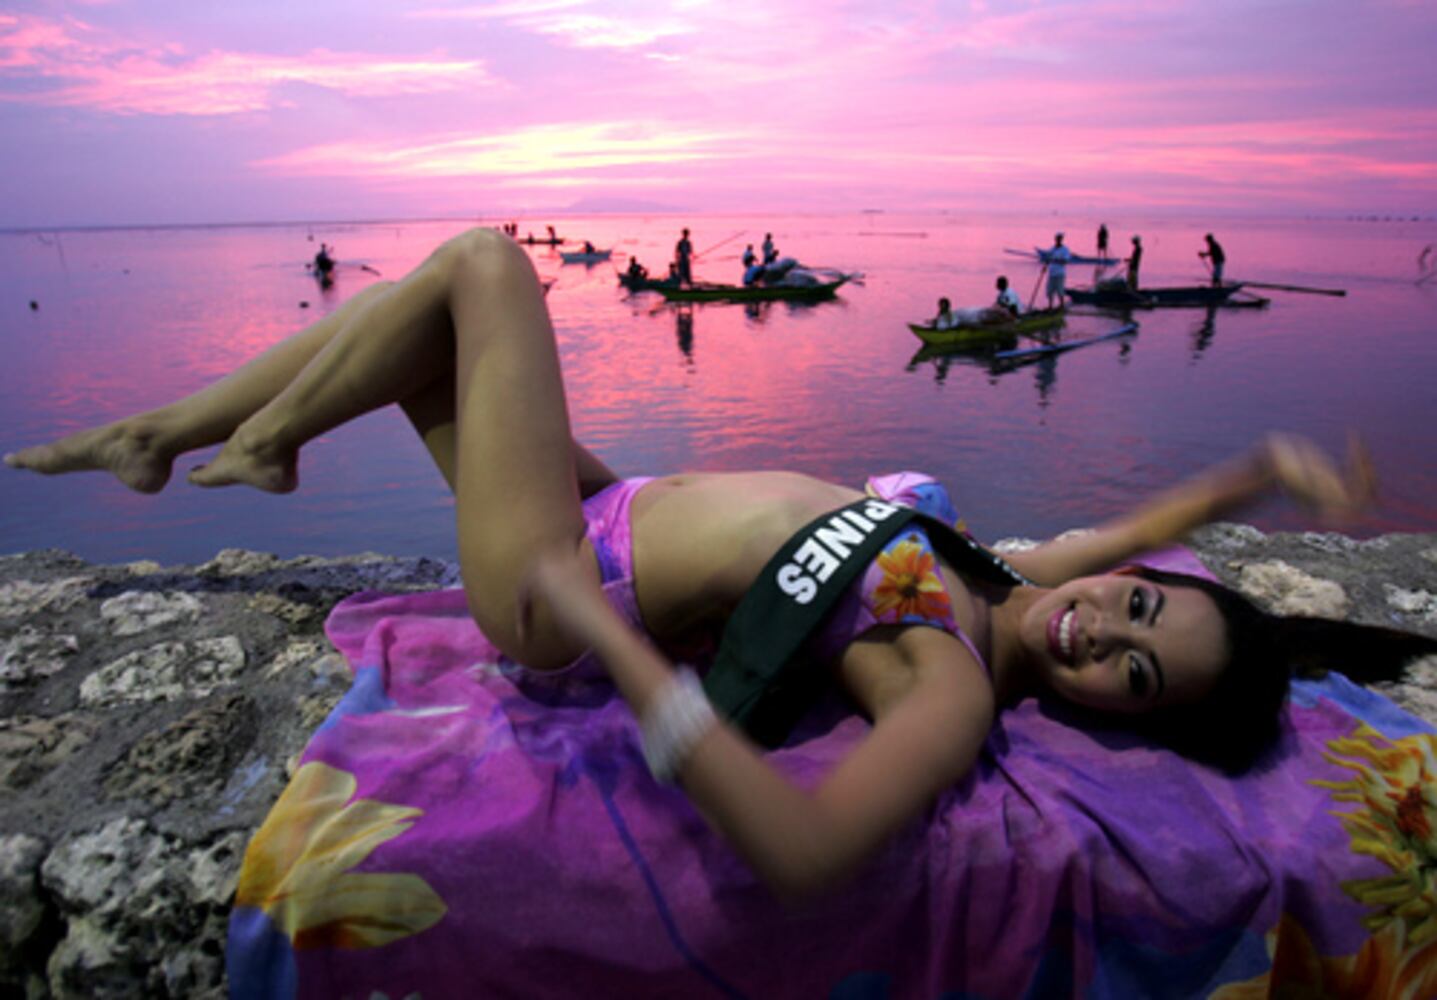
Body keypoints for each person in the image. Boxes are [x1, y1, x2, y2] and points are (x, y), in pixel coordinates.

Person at [9, 228, 1430, 899]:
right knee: (419, 311)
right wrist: (1265, 468)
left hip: (561, 584)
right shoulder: (1013, 573)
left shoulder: (945, 685)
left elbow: (803, 849)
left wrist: (613, 649)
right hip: (611, 498)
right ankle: (165, 435)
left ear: (1117, 721)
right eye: (1141, 606)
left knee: (486, 269)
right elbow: (1141, 529)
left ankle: (246, 441)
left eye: (1131, 673)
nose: (1100, 626)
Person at [1043, 232, 1072, 309]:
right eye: (1057, 238)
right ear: (1055, 239)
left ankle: (1061, 305)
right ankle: (1050, 306)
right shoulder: (1052, 249)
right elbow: (1047, 259)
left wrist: (1056, 260)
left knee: (1060, 290)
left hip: (1060, 274)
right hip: (1051, 274)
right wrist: (1045, 267)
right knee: (1049, 291)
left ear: (1061, 239)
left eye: (1059, 238)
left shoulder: (1065, 250)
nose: (1058, 240)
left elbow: (1065, 261)